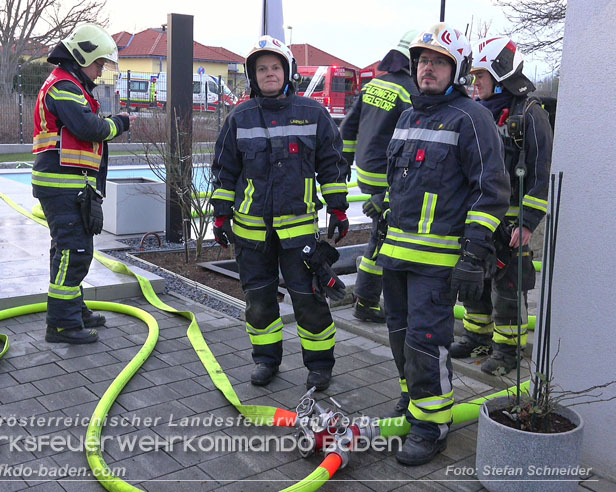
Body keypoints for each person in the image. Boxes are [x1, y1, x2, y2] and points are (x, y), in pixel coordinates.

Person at [377, 23, 510, 465]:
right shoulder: (407, 116)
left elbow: (489, 191)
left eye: (437, 62)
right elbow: (400, 184)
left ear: (457, 70)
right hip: (395, 255)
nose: (426, 69)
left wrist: (473, 254)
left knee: (424, 342)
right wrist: (381, 216)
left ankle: (432, 426)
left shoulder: (473, 118)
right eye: (422, 61)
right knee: (398, 338)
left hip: (436, 263)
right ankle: (414, 402)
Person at [210, 35, 349, 391]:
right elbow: (225, 170)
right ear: (252, 76)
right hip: (251, 233)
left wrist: (338, 208)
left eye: (274, 67)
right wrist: (221, 215)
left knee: (309, 301)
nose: (268, 74)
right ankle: (265, 360)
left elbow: (332, 164)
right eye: (261, 69)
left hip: (299, 233)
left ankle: (320, 366)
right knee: (259, 304)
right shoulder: (239, 117)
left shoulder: (313, 113)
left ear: (288, 72)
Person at [449, 37, 552, 374]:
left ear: (502, 74)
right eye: (472, 76)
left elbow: (540, 172)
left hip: (509, 224)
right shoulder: (471, 114)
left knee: (508, 291)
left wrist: (527, 222)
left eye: (481, 76)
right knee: (473, 285)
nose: (474, 83)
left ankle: (508, 351)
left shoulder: (529, 116)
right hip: (475, 220)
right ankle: (476, 336)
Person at [32, 24, 135, 344]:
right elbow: (89, 128)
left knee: (68, 250)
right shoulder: (64, 86)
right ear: (81, 56)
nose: (101, 70)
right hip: (62, 185)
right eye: (99, 63)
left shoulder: (71, 84)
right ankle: (62, 324)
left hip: (69, 185)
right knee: (74, 251)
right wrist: (120, 123)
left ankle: (72, 309)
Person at [340, 30, 419, 326]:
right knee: (383, 236)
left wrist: (344, 164)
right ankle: (367, 301)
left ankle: (373, 297)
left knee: (382, 232)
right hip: (389, 177)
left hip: (366, 172)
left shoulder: (374, 84)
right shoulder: (411, 92)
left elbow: (347, 129)